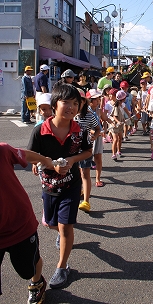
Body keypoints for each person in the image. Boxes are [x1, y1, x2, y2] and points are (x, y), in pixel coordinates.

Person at [27, 83, 92, 289]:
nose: (72, 107)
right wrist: (47, 163)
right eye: (66, 102)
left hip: (71, 186)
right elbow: (30, 156)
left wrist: (72, 161)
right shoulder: (40, 131)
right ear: (55, 104)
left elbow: (88, 152)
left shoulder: (79, 131)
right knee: (51, 224)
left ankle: (62, 266)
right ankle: (60, 232)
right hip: (48, 186)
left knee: (66, 226)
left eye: (76, 103)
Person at [0, 142, 53, 303]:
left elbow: (23, 154)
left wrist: (45, 160)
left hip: (19, 225)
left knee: (28, 267)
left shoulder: (2, 150)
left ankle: (37, 282)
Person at [74, 89, 100, 212]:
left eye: (80, 101)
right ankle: (79, 191)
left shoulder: (89, 115)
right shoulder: (69, 115)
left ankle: (86, 201)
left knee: (85, 173)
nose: (78, 104)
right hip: (72, 149)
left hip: (86, 148)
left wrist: (94, 135)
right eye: (75, 101)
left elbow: (97, 128)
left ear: (85, 102)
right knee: (75, 173)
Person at [109, 90, 127, 160]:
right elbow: (114, 116)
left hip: (120, 125)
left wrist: (123, 120)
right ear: (122, 99)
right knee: (115, 139)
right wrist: (118, 121)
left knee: (120, 138)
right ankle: (113, 153)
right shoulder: (116, 106)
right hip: (114, 125)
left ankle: (119, 151)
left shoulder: (121, 105)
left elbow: (121, 115)